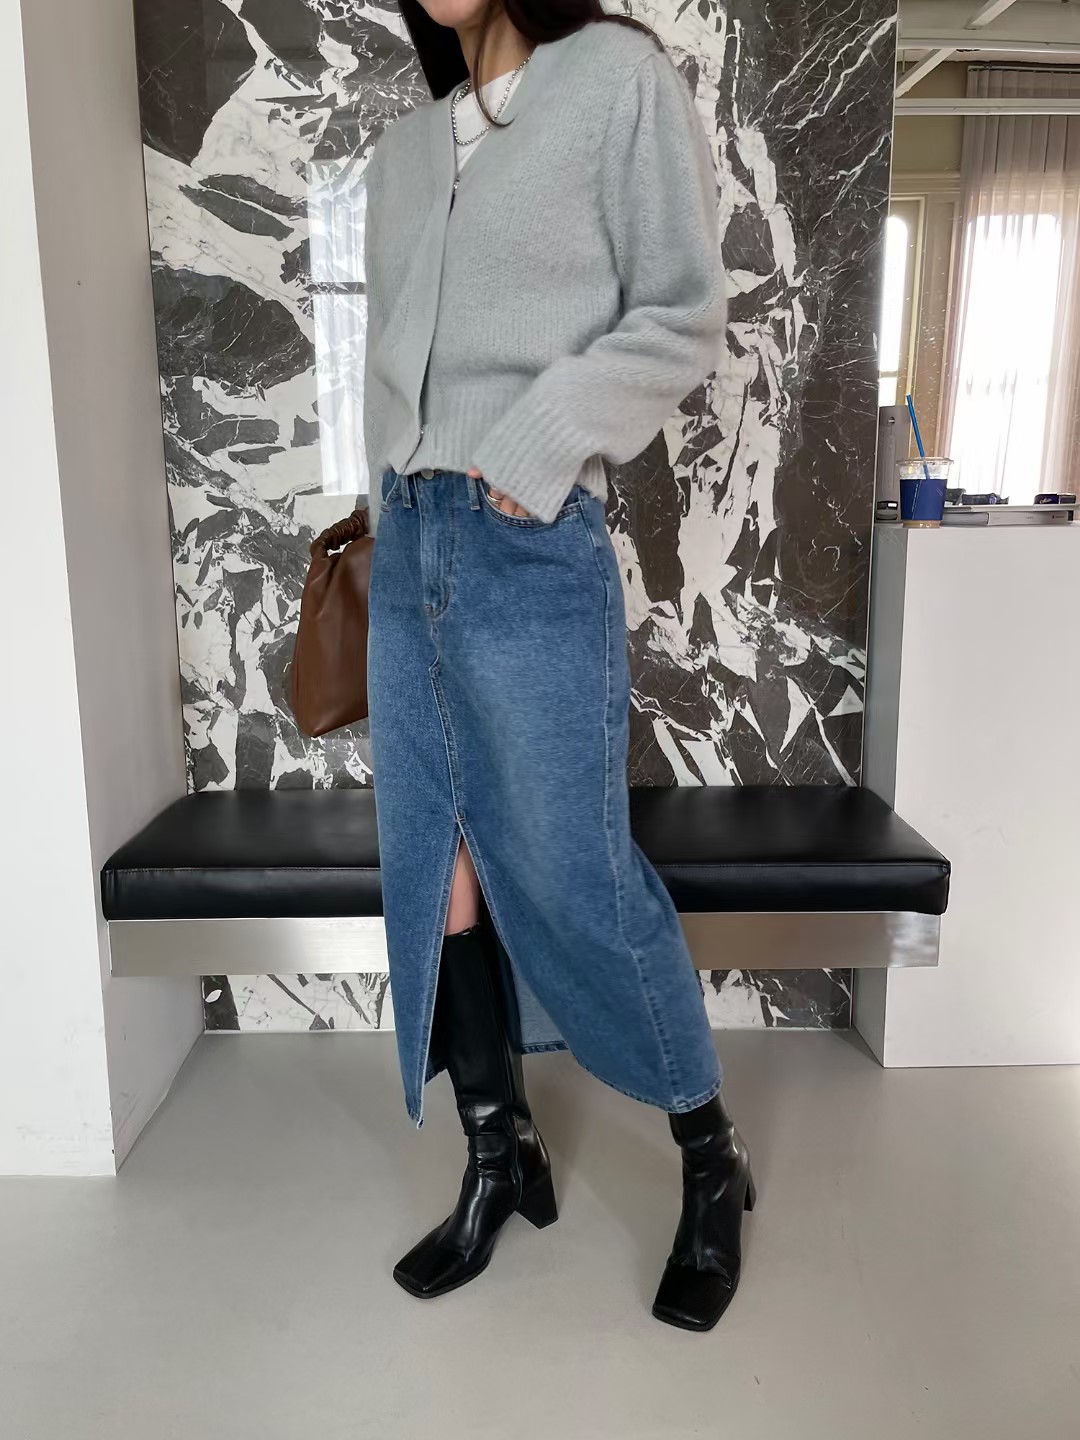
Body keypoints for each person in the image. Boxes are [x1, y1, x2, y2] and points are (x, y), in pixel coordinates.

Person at [361, 0, 753, 1332]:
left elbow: (682, 314)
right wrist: (389, 496)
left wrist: (536, 444)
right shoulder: (404, 150)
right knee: (441, 871)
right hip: (410, 541)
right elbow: (393, 366)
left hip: (527, 543)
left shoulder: (614, 81)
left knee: (577, 868)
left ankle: (710, 1158)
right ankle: (498, 1154)